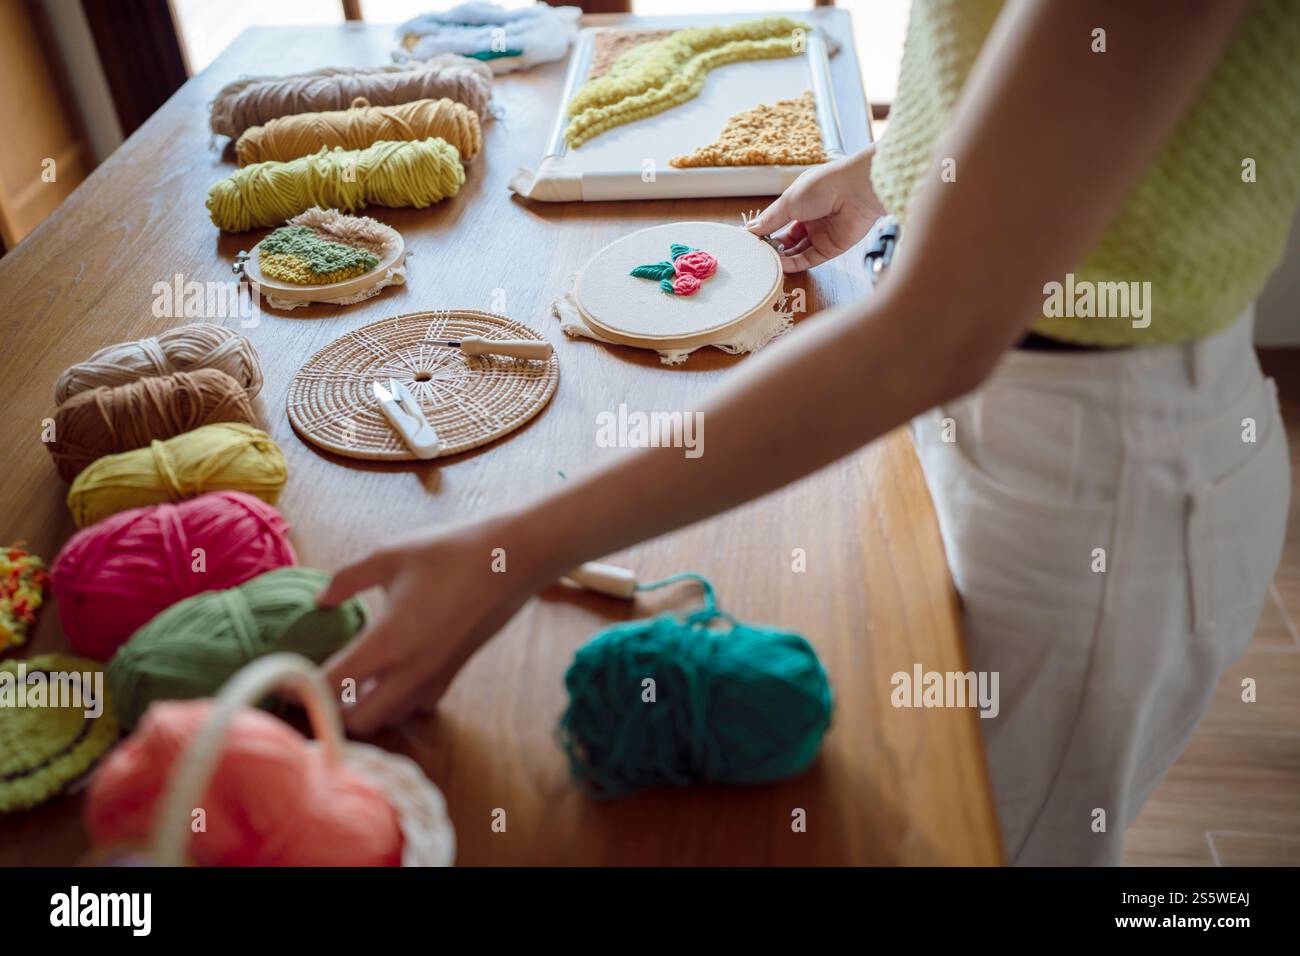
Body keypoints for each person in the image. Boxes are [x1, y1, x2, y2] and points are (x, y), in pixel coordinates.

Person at [318, 0, 1298, 864]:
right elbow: (1051, 91)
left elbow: (935, 331)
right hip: (1011, 414)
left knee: (985, 838)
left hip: (1096, 476)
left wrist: (509, 551)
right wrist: (895, 175)